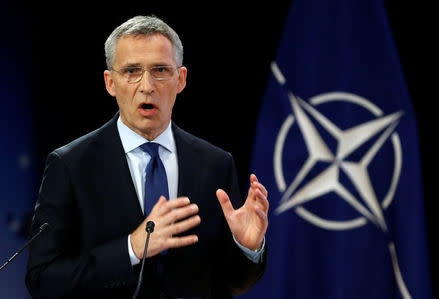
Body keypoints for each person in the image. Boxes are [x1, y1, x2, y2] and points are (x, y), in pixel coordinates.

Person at [26, 15, 269, 299]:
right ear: (110, 82)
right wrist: (130, 248)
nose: (147, 85)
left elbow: (229, 282)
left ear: (181, 79)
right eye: (131, 71)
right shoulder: (70, 165)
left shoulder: (215, 163)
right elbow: (42, 280)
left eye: (160, 70)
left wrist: (247, 247)